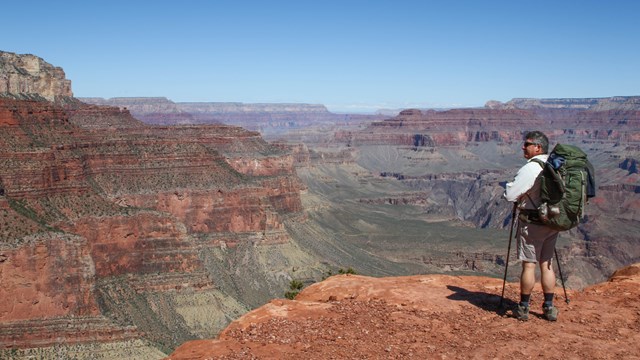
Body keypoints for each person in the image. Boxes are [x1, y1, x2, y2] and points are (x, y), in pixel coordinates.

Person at [503, 131, 559, 321]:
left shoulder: (532, 168)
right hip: (552, 222)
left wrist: (509, 190)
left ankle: (524, 307)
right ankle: (549, 307)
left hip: (532, 224)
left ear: (538, 147)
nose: (523, 147)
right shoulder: (554, 164)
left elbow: (511, 195)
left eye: (527, 144)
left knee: (529, 265)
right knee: (547, 263)